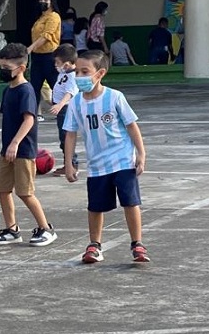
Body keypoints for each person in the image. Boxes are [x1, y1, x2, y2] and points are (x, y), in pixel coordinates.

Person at [63, 50, 149, 264]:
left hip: (122, 161)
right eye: (77, 72)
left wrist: (141, 153)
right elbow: (70, 134)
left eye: (85, 72)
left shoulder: (114, 97)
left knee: (130, 202)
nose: (80, 77)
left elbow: (131, 125)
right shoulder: (75, 103)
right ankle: (95, 245)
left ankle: (137, 244)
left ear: (100, 73)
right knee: (95, 206)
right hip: (96, 164)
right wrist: (68, 163)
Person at [0, 42, 57, 247]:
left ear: (21, 68)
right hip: (7, 150)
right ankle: (12, 229)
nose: (2, 71)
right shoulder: (8, 90)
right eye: (1, 66)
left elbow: (29, 119)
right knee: (2, 189)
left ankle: (46, 228)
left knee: (25, 192)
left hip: (23, 150)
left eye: (6, 68)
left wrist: (15, 143)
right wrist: (8, 146)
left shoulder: (26, 91)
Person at [27, 0, 61, 120]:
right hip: (37, 56)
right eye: (41, 1)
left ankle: (62, 110)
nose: (43, 3)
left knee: (55, 85)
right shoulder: (40, 18)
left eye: (46, 1)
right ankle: (34, 114)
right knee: (34, 86)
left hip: (49, 55)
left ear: (51, 2)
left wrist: (30, 48)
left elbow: (46, 36)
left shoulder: (54, 16)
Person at [49, 44, 79, 176]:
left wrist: (59, 105)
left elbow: (70, 93)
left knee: (66, 138)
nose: (56, 65)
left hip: (66, 110)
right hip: (62, 109)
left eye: (58, 62)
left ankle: (72, 165)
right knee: (63, 137)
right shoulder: (64, 73)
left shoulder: (72, 76)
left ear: (67, 64)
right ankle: (69, 164)